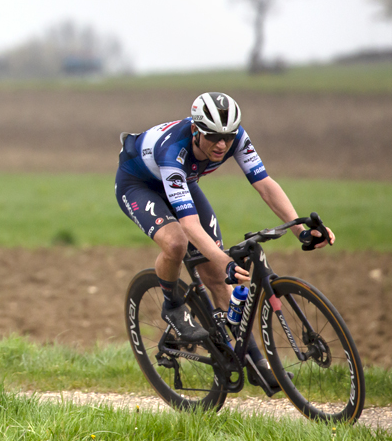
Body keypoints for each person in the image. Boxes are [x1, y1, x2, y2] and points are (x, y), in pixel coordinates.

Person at [115, 91, 335, 392]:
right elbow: (189, 226)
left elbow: (265, 186)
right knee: (177, 243)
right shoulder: (174, 150)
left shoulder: (236, 138)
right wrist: (225, 261)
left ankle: (256, 364)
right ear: (196, 130)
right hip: (138, 184)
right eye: (214, 137)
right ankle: (172, 305)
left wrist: (302, 232)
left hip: (182, 182)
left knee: (218, 278)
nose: (222, 145)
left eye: (228, 137)